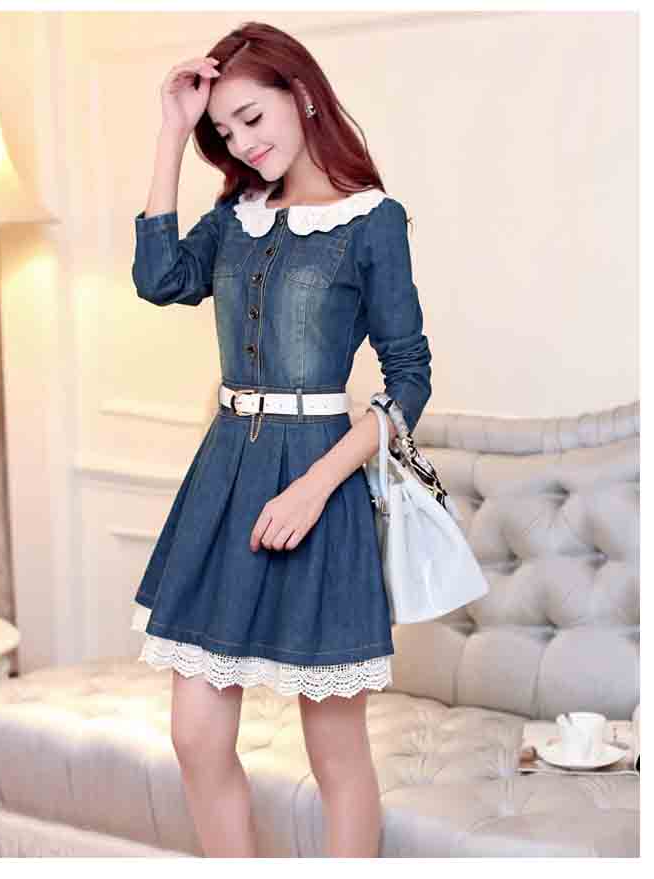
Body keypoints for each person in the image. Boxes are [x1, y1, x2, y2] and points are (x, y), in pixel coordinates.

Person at [129, 21, 432, 858]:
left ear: (301, 95)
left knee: (335, 752)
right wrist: (171, 131)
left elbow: (408, 378)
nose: (242, 143)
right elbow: (159, 278)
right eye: (224, 132)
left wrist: (315, 486)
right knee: (195, 733)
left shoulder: (372, 222)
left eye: (252, 118)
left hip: (318, 483)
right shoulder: (235, 217)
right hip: (224, 477)